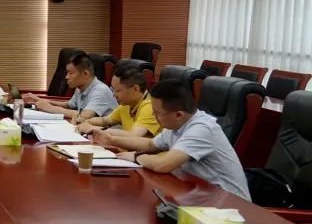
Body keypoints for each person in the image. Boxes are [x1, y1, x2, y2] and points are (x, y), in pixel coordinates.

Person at [92, 79, 251, 201]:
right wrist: (111, 139)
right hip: (199, 194)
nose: (154, 116)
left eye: (157, 113)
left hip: (230, 205)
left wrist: (136, 156)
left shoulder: (202, 129)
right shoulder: (177, 125)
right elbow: (150, 144)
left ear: (178, 114)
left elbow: (163, 165)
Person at [23, 51, 117, 121]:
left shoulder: (100, 90)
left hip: (110, 136)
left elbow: (85, 116)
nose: (66, 77)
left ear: (85, 73)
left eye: (71, 73)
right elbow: (69, 105)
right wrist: (40, 100)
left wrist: (50, 108)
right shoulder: (81, 87)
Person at [76, 66, 161, 138]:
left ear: (135, 89)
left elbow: (133, 136)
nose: (114, 95)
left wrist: (93, 128)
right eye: (113, 89)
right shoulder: (126, 104)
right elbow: (104, 121)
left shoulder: (150, 107)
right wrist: (86, 122)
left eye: (117, 90)